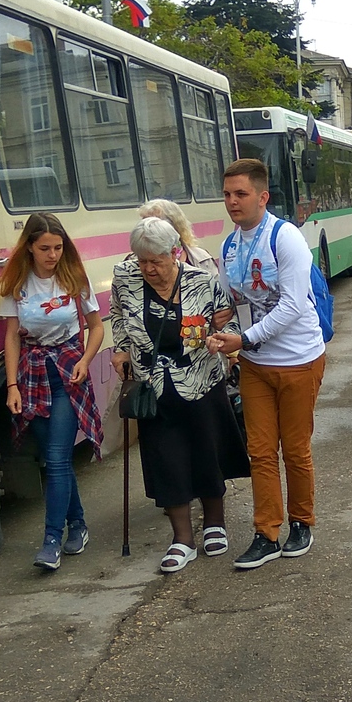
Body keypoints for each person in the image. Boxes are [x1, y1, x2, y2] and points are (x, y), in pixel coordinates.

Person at [205, 157, 326, 570]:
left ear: (262, 196)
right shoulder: (231, 244)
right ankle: (266, 532)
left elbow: (293, 304)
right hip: (256, 362)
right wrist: (222, 316)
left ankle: (301, 523)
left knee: (294, 449)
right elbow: (233, 297)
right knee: (259, 451)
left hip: (298, 359)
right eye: (227, 195)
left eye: (240, 194)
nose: (232, 202)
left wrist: (246, 338)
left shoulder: (285, 237)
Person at [112, 216, 249, 573]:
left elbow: (228, 322)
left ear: (174, 253)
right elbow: (117, 316)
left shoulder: (202, 281)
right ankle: (182, 539)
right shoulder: (125, 280)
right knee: (166, 460)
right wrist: (121, 348)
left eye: (156, 260)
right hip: (153, 386)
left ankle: (215, 523)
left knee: (208, 450)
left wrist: (223, 342)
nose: (148, 268)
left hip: (201, 379)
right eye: (142, 260)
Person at [0, 213, 105, 571]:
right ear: (29, 247)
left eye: (58, 247)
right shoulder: (17, 283)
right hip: (32, 375)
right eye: (45, 248)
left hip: (68, 373)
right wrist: (12, 385)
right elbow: (12, 335)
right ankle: (78, 524)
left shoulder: (74, 278)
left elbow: (96, 327)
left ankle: (50, 540)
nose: (53, 255)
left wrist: (86, 360)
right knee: (52, 457)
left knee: (58, 458)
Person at [138, 199, 219, 279]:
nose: (145, 231)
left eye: (153, 227)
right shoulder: (131, 264)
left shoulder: (202, 260)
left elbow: (217, 289)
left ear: (174, 228)